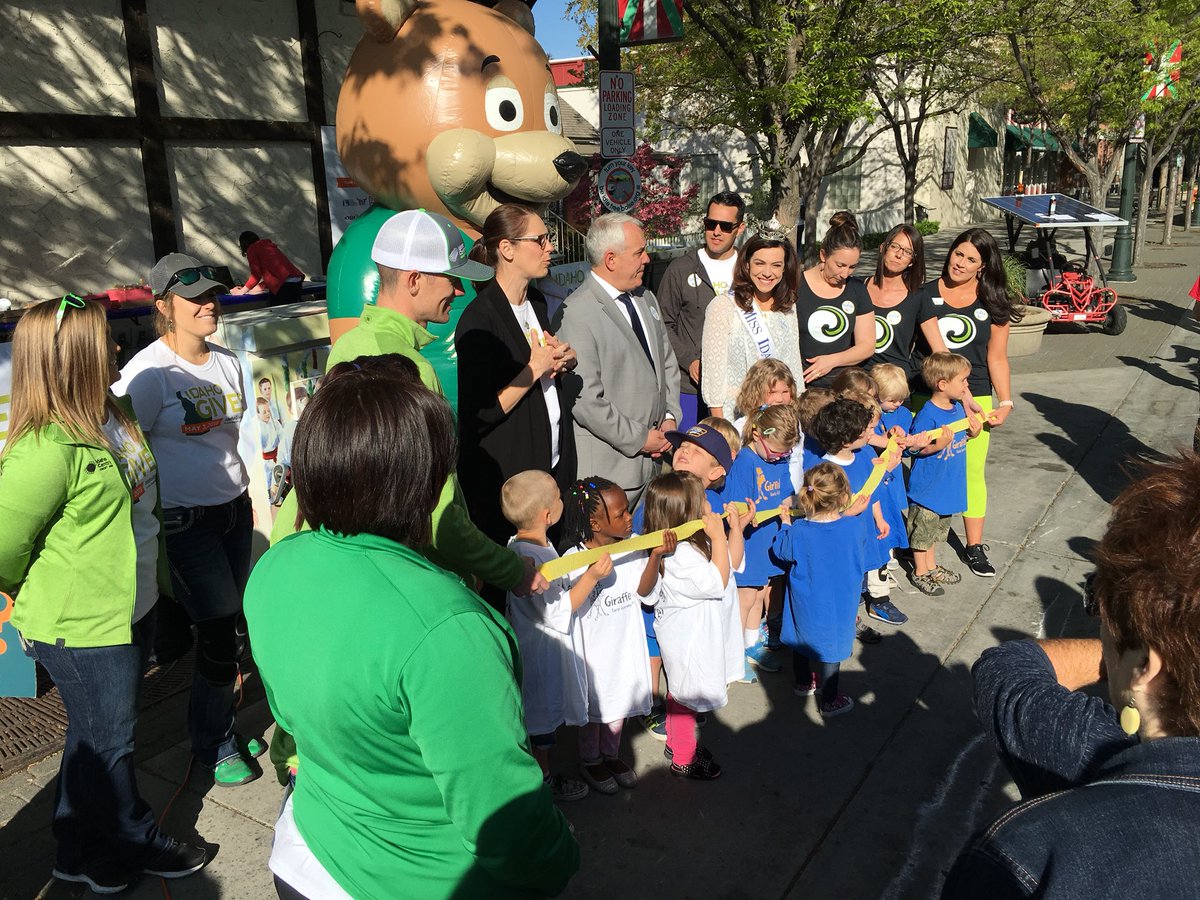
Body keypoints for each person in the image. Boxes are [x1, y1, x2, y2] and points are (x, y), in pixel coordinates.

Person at [246, 366, 580, 900]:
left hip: (306, 850)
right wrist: (560, 853)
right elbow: (503, 816)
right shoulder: (447, 626)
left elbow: (292, 719)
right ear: (423, 482)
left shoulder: (274, 568)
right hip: (418, 879)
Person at [0, 296, 207, 893]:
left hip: (130, 606)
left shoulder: (111, 410)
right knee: (111, 741)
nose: (117, 344)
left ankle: (74, 848)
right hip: (82, 625)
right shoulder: (44, 450)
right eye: (103, 338)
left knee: (92, 737)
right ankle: (127, 843)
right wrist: (41, 585)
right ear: (70, 358)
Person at [942, 452, 1200, 898]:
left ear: (1144, 665)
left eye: (1101, 614)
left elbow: (1008, 673)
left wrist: (1145, 654)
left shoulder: (1028, 852)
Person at [271, 209, 545, 602]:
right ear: (415, 280)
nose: (460, 290)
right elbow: (438, 515)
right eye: (451, 278)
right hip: (386, 578)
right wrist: (507, 569)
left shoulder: (350, 345)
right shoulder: (408, 367)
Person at [115, 254, 265, 787]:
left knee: (232, 627)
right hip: (183, 521)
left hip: (233, 510)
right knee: (220, 631)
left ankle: (214, 724)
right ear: (163, 307)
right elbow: (123, 450)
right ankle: (214, 744)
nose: (209, 304)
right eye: (195, 297)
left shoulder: (227, 361)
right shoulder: (148, 374)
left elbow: (232, 436)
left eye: (213, 294)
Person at [455, 204, 577, 547]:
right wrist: (534, 369)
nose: (550, 247)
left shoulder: (536, 303)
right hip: (512, 487)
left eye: (548, 238)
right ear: (506, 249)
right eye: (539, 240)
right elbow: (479, 414)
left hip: (550, 470)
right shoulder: (480, 320)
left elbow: (543, 372)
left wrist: (562, 360)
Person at [554, 213, 682, 507]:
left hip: (653, 467)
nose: (647, 259)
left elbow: (666, 365)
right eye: (639, 252)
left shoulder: (646, 298)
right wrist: (640, 439)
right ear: (610, 259)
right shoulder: (576, 314)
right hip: (611, 478)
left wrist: (670, 418)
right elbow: (586, 401)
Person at [915, 228, 1021, 578]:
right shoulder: (925, 294)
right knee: (921, 467)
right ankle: (917, 542)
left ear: (983, 266)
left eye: (970, 259)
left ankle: (973, 546)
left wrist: (1004, 401)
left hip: (973, 398)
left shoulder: (993, 302)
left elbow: (998, 358)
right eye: (957, 253)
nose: (959, 262)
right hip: (926, 396)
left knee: (970, 471)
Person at [642, 473, 752, 780]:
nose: (709, 504)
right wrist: (719, 535)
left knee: (686, 696)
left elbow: (731, 563)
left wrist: (736, 530)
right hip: (689, 641)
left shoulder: (695, 541)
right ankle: (684, 758)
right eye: (702, 500)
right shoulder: (678, 556)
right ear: (686, 512)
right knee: (684, 697)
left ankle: (679, 743)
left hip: (704, 636)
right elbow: (717, 582)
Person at [500, 470, 600, 803]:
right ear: (547, 515)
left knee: (536, 720)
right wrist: (592, 576)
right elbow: (558, 613)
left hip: (530, 649)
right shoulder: (537, 559)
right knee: (541, 725)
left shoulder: (519, 546)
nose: (562, 499)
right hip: (541, 657)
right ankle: (542, 787)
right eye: (558, 495)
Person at [632, 422, 735, 738]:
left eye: (696, 450)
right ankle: (650, 705)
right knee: (653, 651)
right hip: (659, 588)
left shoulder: (713, 504)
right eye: (683, 446)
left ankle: (680, 705)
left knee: (678, 655)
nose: (684, 451)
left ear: (715, 472)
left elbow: (720, 554)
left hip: (690, 596)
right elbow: (638, 537)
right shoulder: (659, 493)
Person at [559, 476, 660, 795]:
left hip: (624, 649)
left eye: (628, 511)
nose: (630, 518)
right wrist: (590, 575)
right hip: (592, 655)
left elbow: (644, 592)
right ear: (595, 523)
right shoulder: (570, 561)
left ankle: (611, 755)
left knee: (619, 706)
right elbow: (565, 609)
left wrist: (655, 556)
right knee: (594, 710)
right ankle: (590, 760)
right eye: (621, 515)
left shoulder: (631, 551)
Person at [773, 463, 869, 718]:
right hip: (839, 601)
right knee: (831, 647)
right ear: (844, 497)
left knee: (800, 637)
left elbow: (780, 551)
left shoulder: (799, 531)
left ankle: (803, 683)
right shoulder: (855, 527)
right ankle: (829, 700)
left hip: (805, 600)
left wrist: (785, 524)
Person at [658, 191, 748, 428]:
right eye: (711, 223)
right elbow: (662, 323)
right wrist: (689, 361)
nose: (716, 231)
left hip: (736, 388)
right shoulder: (681, 269)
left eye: (726, 226)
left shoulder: (749, 271)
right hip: (689, 388)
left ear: (740, 228)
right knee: (690, 458)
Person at [723, 403, 799, 679]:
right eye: (777, 451)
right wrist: (745, 513)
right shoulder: (745, 461)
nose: (781, 457)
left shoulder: (777, 459)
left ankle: (751, 643)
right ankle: (735, 653)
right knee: (745, 597)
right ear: (758, 435)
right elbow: (736, 502)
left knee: (759, 594)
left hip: (770, 536)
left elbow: (786, 491)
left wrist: (789, 506)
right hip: (750, 539)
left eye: (786, 452)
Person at [700, 234, 805, 419]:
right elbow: (713, 373)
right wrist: (722, 427)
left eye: (776, 265)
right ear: (747, 264)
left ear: (784, 268)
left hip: (779, 415)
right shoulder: (723, 306)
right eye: (760, 263)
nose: (767, 272)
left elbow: (794, 364)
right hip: (736, 414)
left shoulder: (788, 307)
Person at [906, 353, 984, 597]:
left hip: (947, 488)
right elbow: (913, 448)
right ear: (942, 384)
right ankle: (920, 571)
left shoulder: (957, 409)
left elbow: (960, 438)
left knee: (935, 533)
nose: (967, 385)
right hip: (928, 490)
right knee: (922, 534)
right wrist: (936, 446)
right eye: (963, 380)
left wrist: (973, 433)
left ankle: (931, 567)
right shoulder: (927, 415)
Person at [796, 212, 875, 387]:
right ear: (823, 255)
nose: (845, 274)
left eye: (852, 267)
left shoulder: (857, 289)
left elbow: (867, 345)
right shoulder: (796, 286)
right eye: (840, 265)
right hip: (803, 387)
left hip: (843, 386)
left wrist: (832, 361)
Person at [864, 224, 945, 377]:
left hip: (895, 388)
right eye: (895, 246)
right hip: (858, 384)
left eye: (907, 252)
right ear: (883, 248)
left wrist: (963, 390)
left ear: (912, 261)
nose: (899, 255)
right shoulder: (857, 287)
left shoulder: (919, 296)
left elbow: (940, 350)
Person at [731, 357, 799, 436]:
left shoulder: (794, 424)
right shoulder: (741, 428)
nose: (780, 399)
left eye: (785, 392)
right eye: (772, 392)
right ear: (755, 394)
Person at [230, 230, 304, 301]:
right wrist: (254, 287)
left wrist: (241, 292)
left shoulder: (252, 249)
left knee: (276, 311)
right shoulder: (268, 246)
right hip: (296, 282)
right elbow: (277, 276)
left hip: (284, 287)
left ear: (243, 245)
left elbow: (256, 276)